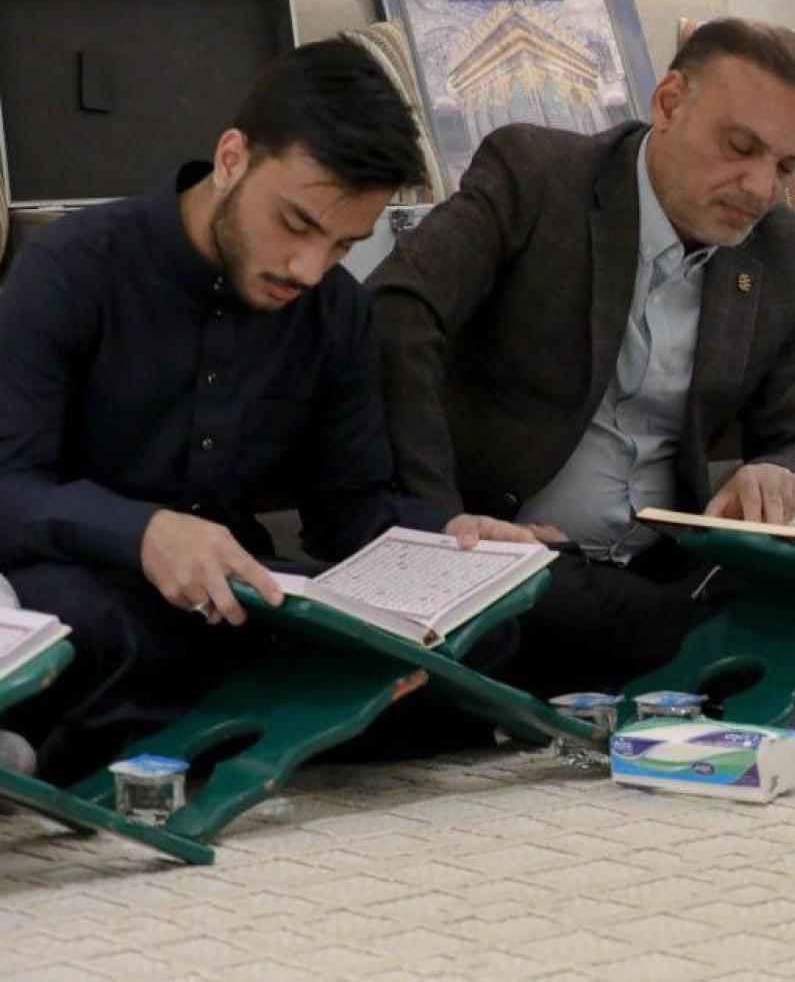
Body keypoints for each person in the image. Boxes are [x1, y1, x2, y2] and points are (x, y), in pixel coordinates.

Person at [0, 40, 531, 781]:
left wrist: (447, 539)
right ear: (231, 159)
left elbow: (347, 508)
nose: (308, 269)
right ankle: (259, 730)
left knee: (482, 639)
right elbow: (10, 486)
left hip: (240, 598)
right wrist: (144, 532)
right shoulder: (71, 268)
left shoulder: (335, 310)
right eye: (296, 224)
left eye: (343, 245)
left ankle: (154, 742)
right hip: (90, 581)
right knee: (85, 633)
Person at [370, 17, 795, 697]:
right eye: (740, 147)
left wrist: (783, 470)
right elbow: (396, 309)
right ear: (670, 103)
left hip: (666, 564)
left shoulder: (787, 251)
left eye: (786, 167)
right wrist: (439, 521)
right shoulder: (537, 176)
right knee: (678, 626)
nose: (760, 188)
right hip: (517, 555)